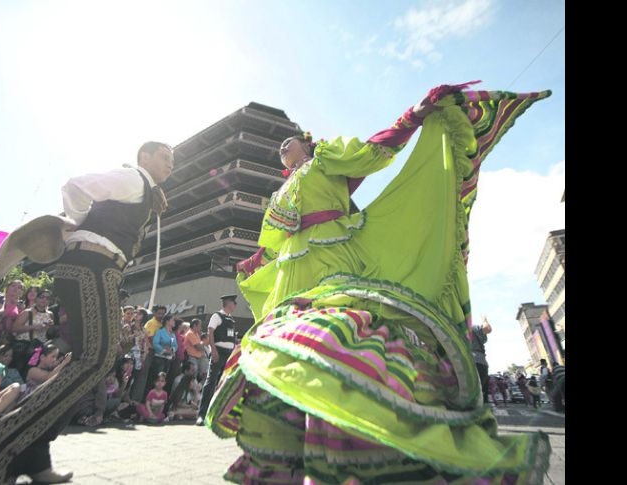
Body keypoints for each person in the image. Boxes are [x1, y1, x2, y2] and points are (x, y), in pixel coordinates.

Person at [204, 83, 552, 483]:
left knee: (332, 341)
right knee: (283, 352)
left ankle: (359, 437)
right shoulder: (281, 190)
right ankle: (290, 449)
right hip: (290, 271)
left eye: (289, 141)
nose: (282, 148)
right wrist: (256, 261)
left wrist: (414, 116)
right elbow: (276, 238)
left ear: (306, 143)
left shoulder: (327, 161)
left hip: (334, 259)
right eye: (279, 147)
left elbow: (375, 150)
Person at [0, 141, 173, 485]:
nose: (171, 164)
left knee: (91, 361)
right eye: (164, 157)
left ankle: (35, 458)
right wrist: (74, 226)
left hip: (101, 269)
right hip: (91, 265)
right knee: (95, 359)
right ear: (145, 157)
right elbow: (75, 185)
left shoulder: (145, 190)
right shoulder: (133, 179)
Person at [196, 294, 237, 426]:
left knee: (223, 382)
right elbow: (210, 332)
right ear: (227, 303)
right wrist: (213, 350)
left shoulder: (230, 319)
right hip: (218, 351)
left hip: (229, 353)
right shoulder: (217, 316)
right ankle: (201, 415)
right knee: (211, 380)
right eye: (233, 302)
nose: (235, 305)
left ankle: (217, 413)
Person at [472, 315, 492, 405]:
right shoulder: (472, 328)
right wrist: (484, 319)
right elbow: (487, 328)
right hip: (478, 362)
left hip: (470, 362)